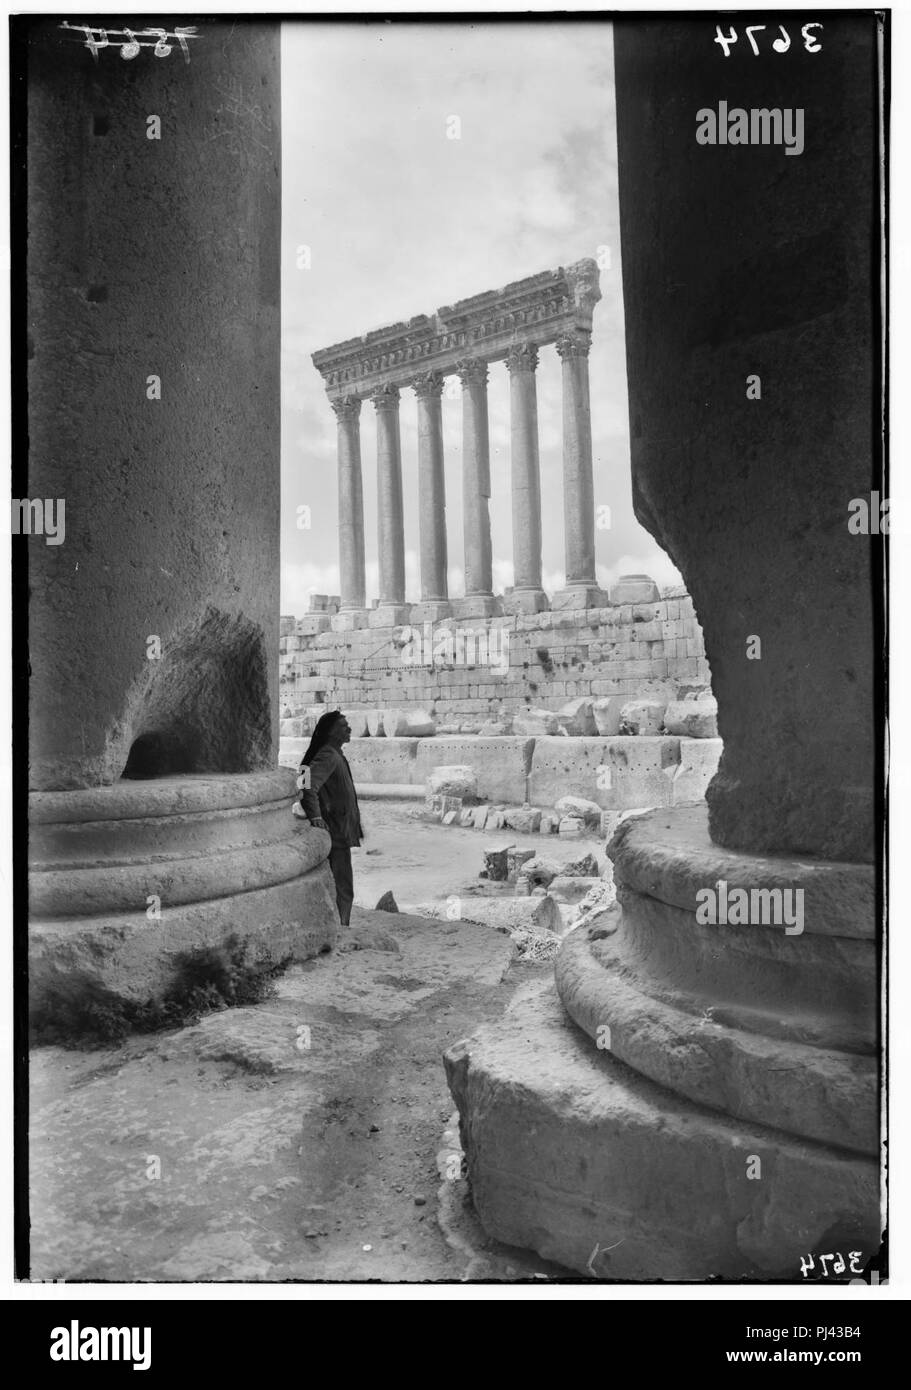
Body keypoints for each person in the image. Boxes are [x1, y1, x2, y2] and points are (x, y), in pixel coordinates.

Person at [296, 710, 362, 926]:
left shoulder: (334, 754)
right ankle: (341, 927)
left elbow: (303, 776)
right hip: (335, 830)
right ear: (332, 733)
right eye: (344, 726)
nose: (349, 729)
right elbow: (306, 786)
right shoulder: (329, 755)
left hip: (340, 827)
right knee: (343, 886)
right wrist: (316, 816)